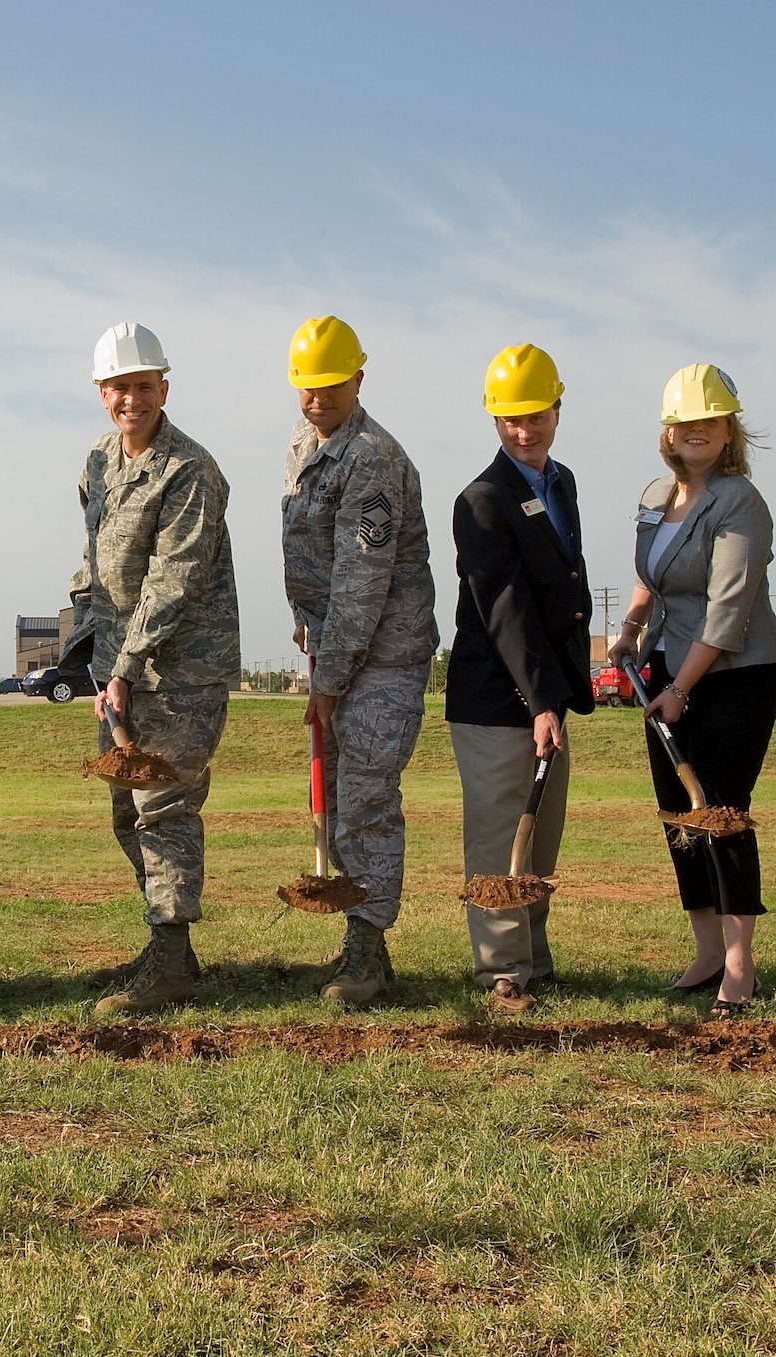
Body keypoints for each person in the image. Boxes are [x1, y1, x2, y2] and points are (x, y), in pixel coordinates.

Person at [605, 364, 776, 1017]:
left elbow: (728, 608)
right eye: (684, 422)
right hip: (665, 667)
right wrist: (630, 630)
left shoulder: (740, 501)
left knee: (721, 811)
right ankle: (707, 950)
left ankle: (740, 966)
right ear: (667, 429)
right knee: (679, 813)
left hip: (735, 674)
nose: (695, 432)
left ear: (729, 427)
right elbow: (651, 577)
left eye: (708, 421)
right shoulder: (658, 495)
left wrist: (682, 687)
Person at [77, 322, 240, 1017]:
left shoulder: (188, 469)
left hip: (179, 671)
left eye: (142, 386)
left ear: (163, 388)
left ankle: (170, 961)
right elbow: (96, 560)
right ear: (101, 392)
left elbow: (172, 578)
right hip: (118, 668)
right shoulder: (96, 463)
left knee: (163, 809)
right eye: (118, 387)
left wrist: (125, 664)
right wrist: (89, 647)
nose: (130, 399)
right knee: (125, 810)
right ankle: (167, 941)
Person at [281, 316, 439, 1008]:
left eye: (332, 385)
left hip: (383, 657)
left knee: (366, 803)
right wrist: (306, 632)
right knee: (342, 800)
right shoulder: (304, 443)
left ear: (358, 380)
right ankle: (362, 935)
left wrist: (330, 677)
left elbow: (360, 583)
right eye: (308, 386)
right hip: (336, 650)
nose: (318, 398)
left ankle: (368, 953)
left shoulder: (372, 456)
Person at [447, 345, 592, 1013]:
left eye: (533, 416)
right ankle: (501, 972)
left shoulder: (559, 485)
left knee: (541, 832)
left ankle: (532, 957)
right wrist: (540, 700)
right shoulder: (481, 500)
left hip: (545, 700)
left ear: (557, 409)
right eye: (508, 419)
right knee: (501, 831)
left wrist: (558, 696)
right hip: (497, 700)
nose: (521, 431)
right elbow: (503, 606)